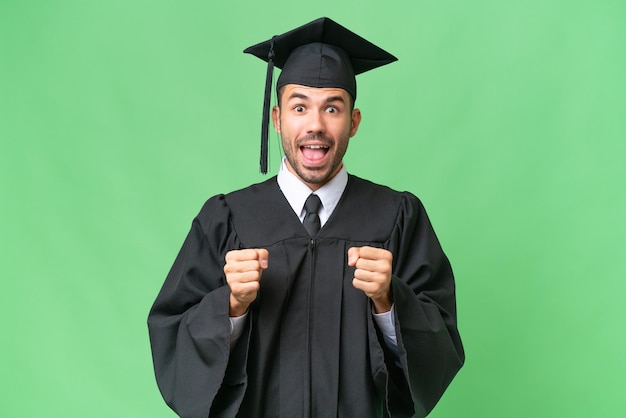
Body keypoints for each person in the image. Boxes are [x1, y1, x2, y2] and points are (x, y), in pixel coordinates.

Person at [148, 17, 464, 418]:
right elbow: (171, 338)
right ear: (278, 119)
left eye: (332, 108)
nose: (315, 125)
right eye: (300, 107)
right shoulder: (228, 218)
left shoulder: (397, 216)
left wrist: (389, 299)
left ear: (353, 122)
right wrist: (229, 307)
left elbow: (441, 347)